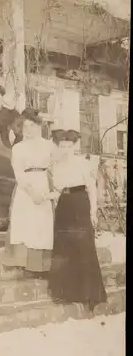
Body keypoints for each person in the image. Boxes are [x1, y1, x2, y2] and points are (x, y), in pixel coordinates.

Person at [47, 129, 107, 313]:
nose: (65, 150)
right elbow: (58, 191)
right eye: (62, 146)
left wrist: (93, 212)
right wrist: (43, 196)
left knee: (83, 247)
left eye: (69, 146)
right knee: (64, 248)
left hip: (80, 205)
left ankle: (88, 294)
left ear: (74, 146)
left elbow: (91, 188)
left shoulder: (83, 163)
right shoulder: (56, 166)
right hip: (64, 206)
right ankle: (66, 293)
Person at [3, 108, 56, 279]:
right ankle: (23, 264)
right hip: (26, 188)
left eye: (32, 126)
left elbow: (57, 166)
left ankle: (42, 266)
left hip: (45, 184)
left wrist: (52, 191)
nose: (28, 129)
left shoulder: (49, 145)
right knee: (25, 224)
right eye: (25, 126)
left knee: (42, 224)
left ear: (39, 126)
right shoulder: (18, 148)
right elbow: (18, 173)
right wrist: (31, 192)